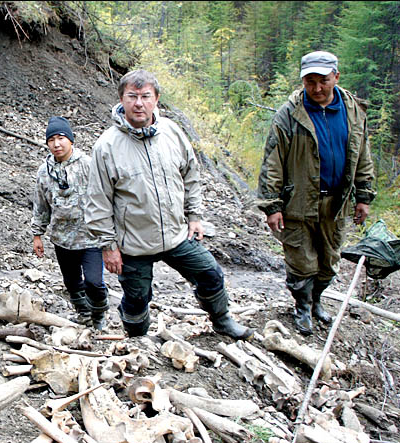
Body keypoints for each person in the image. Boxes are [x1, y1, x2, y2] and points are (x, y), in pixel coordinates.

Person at [84, 70, 253, 340]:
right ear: (121, 99)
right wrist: (108, 246)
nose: (139, 103)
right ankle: (138, 341)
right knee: (137, 300)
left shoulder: (172, 133)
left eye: (145, 96)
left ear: (156, 99)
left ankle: (222, 320)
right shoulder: (106, 147)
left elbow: (191, 174)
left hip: (176, 235)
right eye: (132, 97)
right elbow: (97, 201)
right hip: (134, 244)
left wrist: (195, 216)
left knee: (210, 274)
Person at [256, 51, 376, 336]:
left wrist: (364, 195)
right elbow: (272, 161)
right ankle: (302, 307)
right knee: (300, 260)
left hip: (336, 203)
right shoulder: (289, 115)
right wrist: (272, 205)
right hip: (297, 202)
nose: (317, 88)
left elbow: (363, 155)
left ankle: (317, 301)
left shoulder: (353, 110)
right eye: (310, 81)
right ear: (302, 81)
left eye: (323, 80)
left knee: (329, 260)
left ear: (336, 76)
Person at [31, 116, 109, 330]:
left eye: (61, 138)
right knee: (72, 282)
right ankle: (84, 315)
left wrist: (111, 232)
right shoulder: (44, 171)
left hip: (90, 236)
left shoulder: (88, 165)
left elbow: (105, 197)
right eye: (51, 140)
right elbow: (41, 204)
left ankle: (99, 315)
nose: (56, 144)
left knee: (94, 282)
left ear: (71, 140)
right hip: (61, 238)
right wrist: (37, 234)